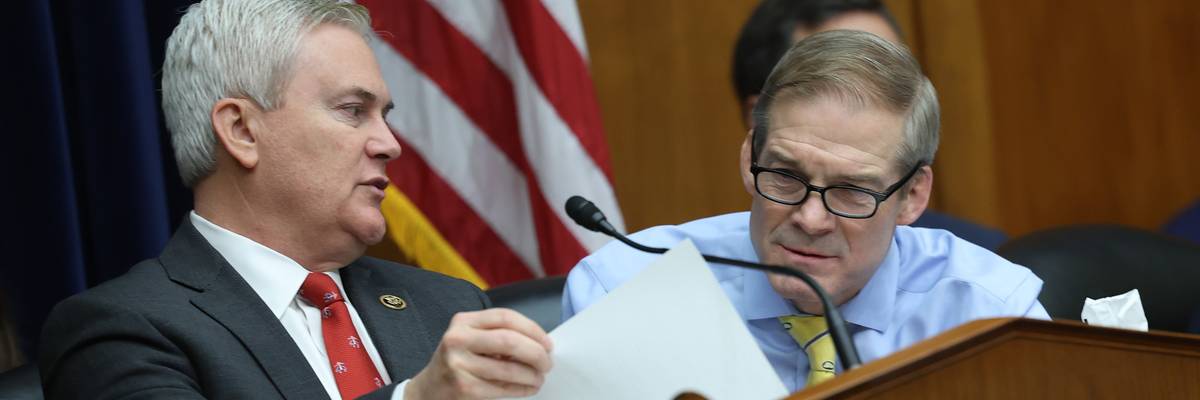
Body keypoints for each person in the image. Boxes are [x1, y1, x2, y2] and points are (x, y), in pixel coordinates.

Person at [38, 1, 551, 399]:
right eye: (353, 110)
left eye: (385, 116)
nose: (389, 144)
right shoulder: (121, 330)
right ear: (241, 130)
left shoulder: (451, 306)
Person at [563, 30, 1048, 392]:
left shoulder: (989, 317)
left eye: (852, 191)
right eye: (785, 176)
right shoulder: (625, 292)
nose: (810, 220)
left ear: (912, 197)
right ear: (750, 158)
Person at [732, 0, 1007, 250]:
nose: (812, 220)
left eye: (889, 68)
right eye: (835, 66)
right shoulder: (707, 270)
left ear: (913, 192)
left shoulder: (986, 268)